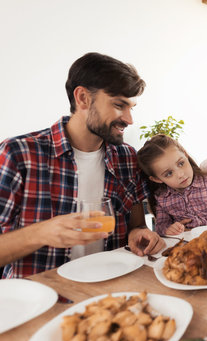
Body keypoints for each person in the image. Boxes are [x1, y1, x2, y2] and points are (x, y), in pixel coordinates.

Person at [0, 52, 164, 279]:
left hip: (108, 294)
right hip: (39, 303)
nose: (129, 119)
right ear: (83, 98)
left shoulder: (126, 157)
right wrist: (40, 233)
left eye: (131, 108)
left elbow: (136, 225)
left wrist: (139, 234)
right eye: (119, 105)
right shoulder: (18, 154)